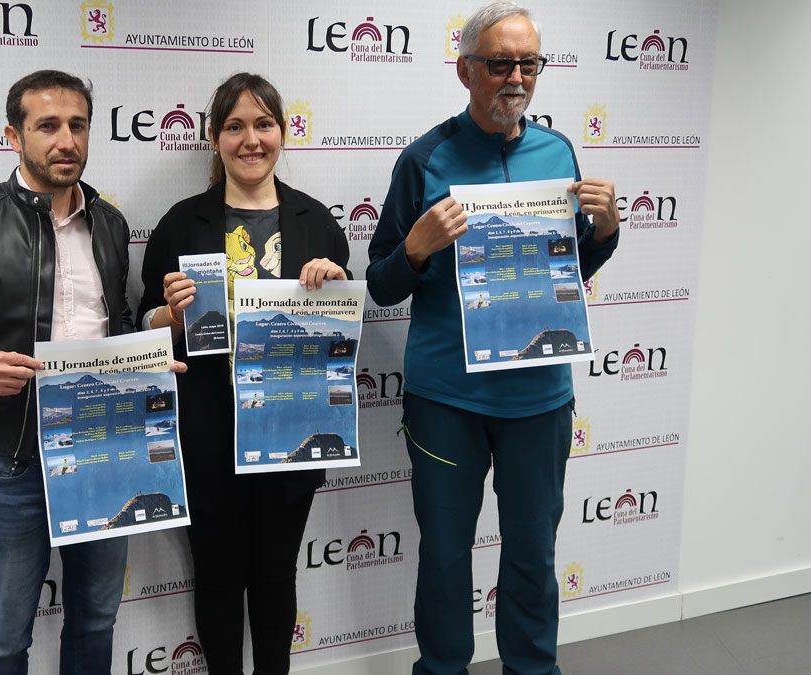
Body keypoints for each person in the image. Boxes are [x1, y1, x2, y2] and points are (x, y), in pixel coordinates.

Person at [366, 3, 620, 674]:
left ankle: (532, 668)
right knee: (447, 555)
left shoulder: (558, 151)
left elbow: (568, 272)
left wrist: (607, 230)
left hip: (539, 396)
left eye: (527, 63)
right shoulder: (425, 158)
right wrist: (415, 249)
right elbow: (382, 283)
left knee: (533, 554)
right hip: (447, 397)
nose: (515, 77)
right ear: (465, 70)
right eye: (499, 63)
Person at [0, 69, 136, 675]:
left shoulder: (110, 224)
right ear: (14, 135)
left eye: (78, 125)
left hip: (103, 444)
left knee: (96, 618)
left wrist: (150, 348)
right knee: (6, 634)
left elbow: (114, 325)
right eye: (48, 126)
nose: (66, 140)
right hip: (13, 452)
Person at [138, 72, 350, 675]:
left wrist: (335, 290)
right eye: (235, 126)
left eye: (263, 124)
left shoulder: (316, 222)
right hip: (208, 430)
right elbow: (144, 327)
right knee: (219, 578)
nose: (250, 140)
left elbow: (344, 333)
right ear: (214, 138)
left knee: (277, 577)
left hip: (295, 427)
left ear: (282, 133)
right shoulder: (183, 224)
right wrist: (169, 315)